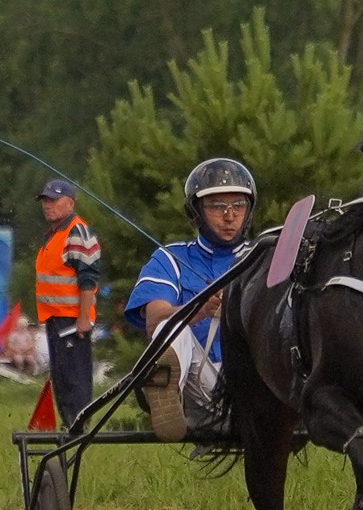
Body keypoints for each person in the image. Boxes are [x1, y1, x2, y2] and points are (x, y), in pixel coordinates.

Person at [122, 158, 255, 442]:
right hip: (200, 384)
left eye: (238, 205)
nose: (230, 216)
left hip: (255, 380)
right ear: (196, 211)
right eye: (217, 206)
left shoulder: (264, 256)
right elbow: (154, 320)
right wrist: (200, 308)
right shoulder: (171, 258)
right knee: (169, 327)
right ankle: (164, 391)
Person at [30, 177, 104, 427]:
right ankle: (69, 425)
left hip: (72, 320)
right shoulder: (55, 234)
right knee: (61, 376)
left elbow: (88, 278)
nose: (47, 205)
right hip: (55, 318)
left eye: (53, 200)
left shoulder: (76, 232)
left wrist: (83, 318)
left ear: (70, 203)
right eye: (45, 200)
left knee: (75, 377)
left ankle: (78, 425)